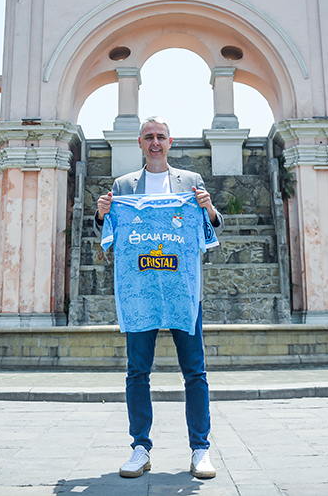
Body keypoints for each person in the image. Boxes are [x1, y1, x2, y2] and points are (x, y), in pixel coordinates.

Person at [94, 116, 223, 480]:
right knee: (137, 372)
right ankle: (140, 448)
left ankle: (200, 449)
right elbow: (107, 229)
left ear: (170, 142)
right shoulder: (123, 185)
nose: (155, 142)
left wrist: (209, 208)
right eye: (149, 137)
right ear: (139, 142)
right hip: (139, 291)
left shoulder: (191, 182)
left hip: (182, 290)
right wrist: (101, 213)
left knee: (195, 371)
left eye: (160, 137)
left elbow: (213, 224)